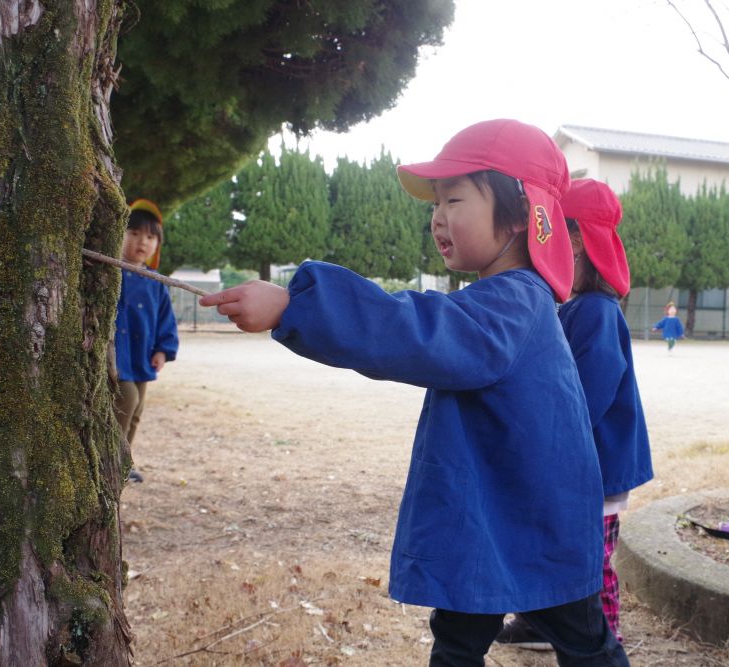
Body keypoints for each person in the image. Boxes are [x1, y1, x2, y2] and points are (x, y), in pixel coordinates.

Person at [200, 119, 629, 667]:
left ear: (523, 215)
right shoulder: (511, 300)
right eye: (435, 203)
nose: (438, 217)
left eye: (455, 198)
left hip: (529, 520)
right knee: (469, 641)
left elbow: (414, 330)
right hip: (506, 518)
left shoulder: (512, 303)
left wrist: (296, 305)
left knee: (579, 644)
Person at [496, 178, 653, 650]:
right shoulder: (574, 307)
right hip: (573, 461)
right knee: (549, 541)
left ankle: (604, 639)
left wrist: (546, 431)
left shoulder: (596, 312)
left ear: (578, 243)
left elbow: (588, 393)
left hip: (594, 466)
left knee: (588, 558)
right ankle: (535, 623)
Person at [113, 199, 179, 483]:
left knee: (137, 408)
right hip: (117, 355)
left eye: (150, 237)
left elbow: (167, 320)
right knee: (127, 399)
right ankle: (110, 458)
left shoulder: (156, 282)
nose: (142, 241)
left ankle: (123, 462)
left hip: (141, 355)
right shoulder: (111, 271)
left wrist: (163, 351)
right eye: (134, 233)